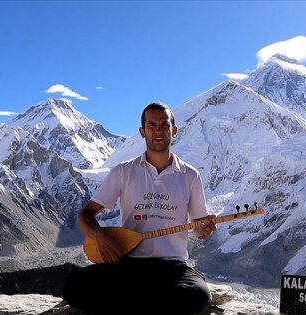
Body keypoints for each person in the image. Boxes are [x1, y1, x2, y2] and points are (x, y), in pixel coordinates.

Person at [62, 102, 217, 315]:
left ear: (174, 130)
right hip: (129, 266)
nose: (158, 131)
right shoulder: (124, 171)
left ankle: (128, 307)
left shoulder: (190, 176)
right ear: (142, 132)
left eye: (164, 125)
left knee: (197, 294)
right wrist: (100, 236)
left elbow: (198, 229)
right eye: (152, 125)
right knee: (74, 285)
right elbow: (85, 216)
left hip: (172, 267)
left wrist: (204, 230)